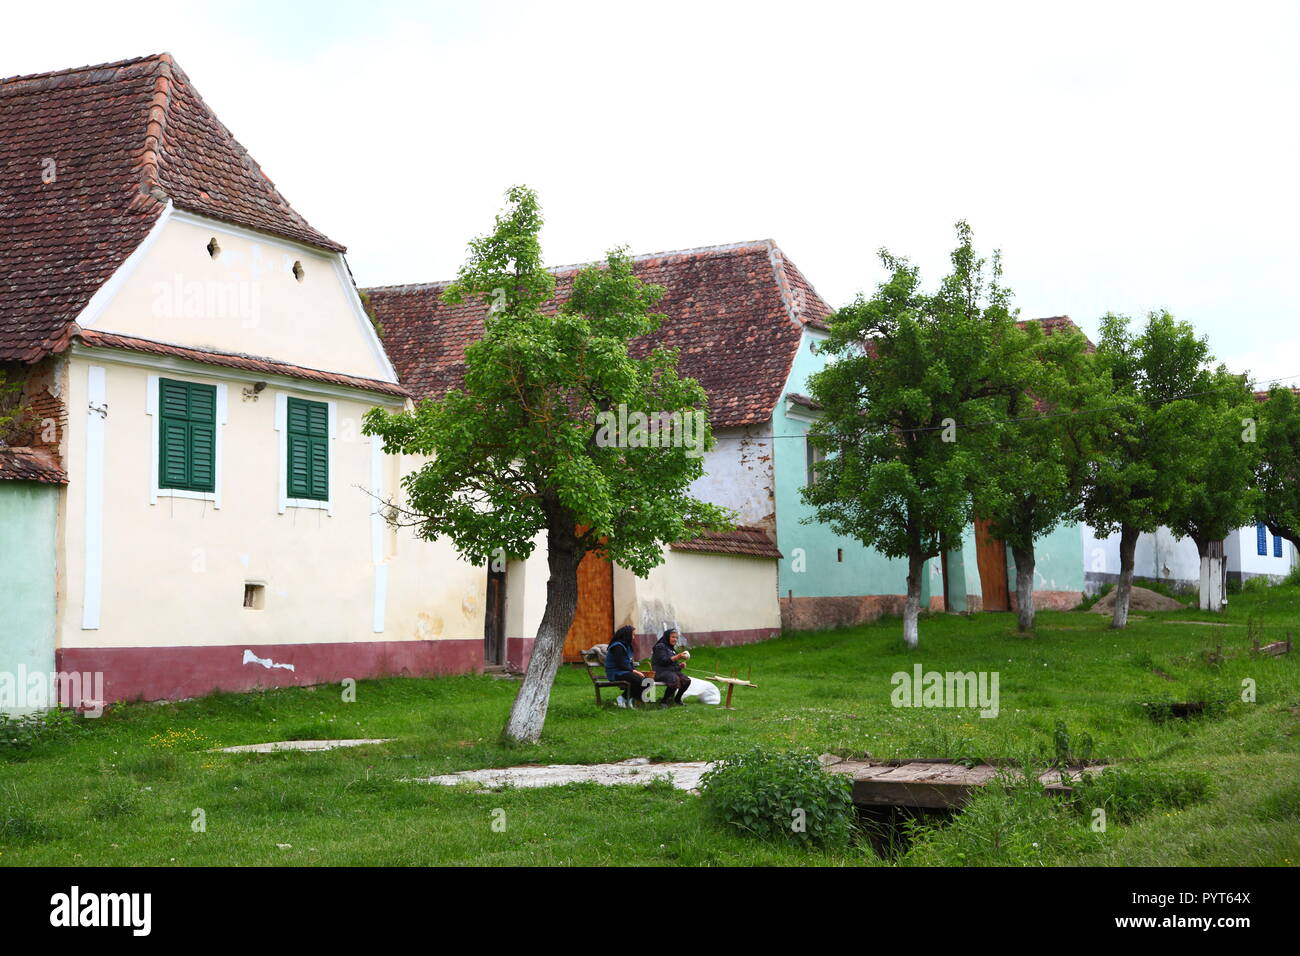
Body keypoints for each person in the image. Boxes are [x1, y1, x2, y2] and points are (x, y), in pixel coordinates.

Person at [605, 625, 649, 708]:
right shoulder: (617, 646)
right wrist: (634, 671)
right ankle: (621, 699)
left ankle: (629, 700)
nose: (633, 637)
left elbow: (629, 662)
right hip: (616, 673)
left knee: (647, 681)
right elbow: (620, 664)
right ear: (627, 635)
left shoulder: (627, 646)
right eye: (632, 635)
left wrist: (635, 670)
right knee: (638, 680)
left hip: (625, 672)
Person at [652, 627, 691, 707]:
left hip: (670, 672)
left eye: (676, 637)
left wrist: (680, 666)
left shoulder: (671, 649)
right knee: (674, 679)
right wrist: (678, 656)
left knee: (686, 680)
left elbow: (673, 665)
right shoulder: (660, 647)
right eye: (673, 637)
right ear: (667, 637)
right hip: (660, 672)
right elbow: (663, 661)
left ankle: (677, 700)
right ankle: (664, 701)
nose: (675, 639)